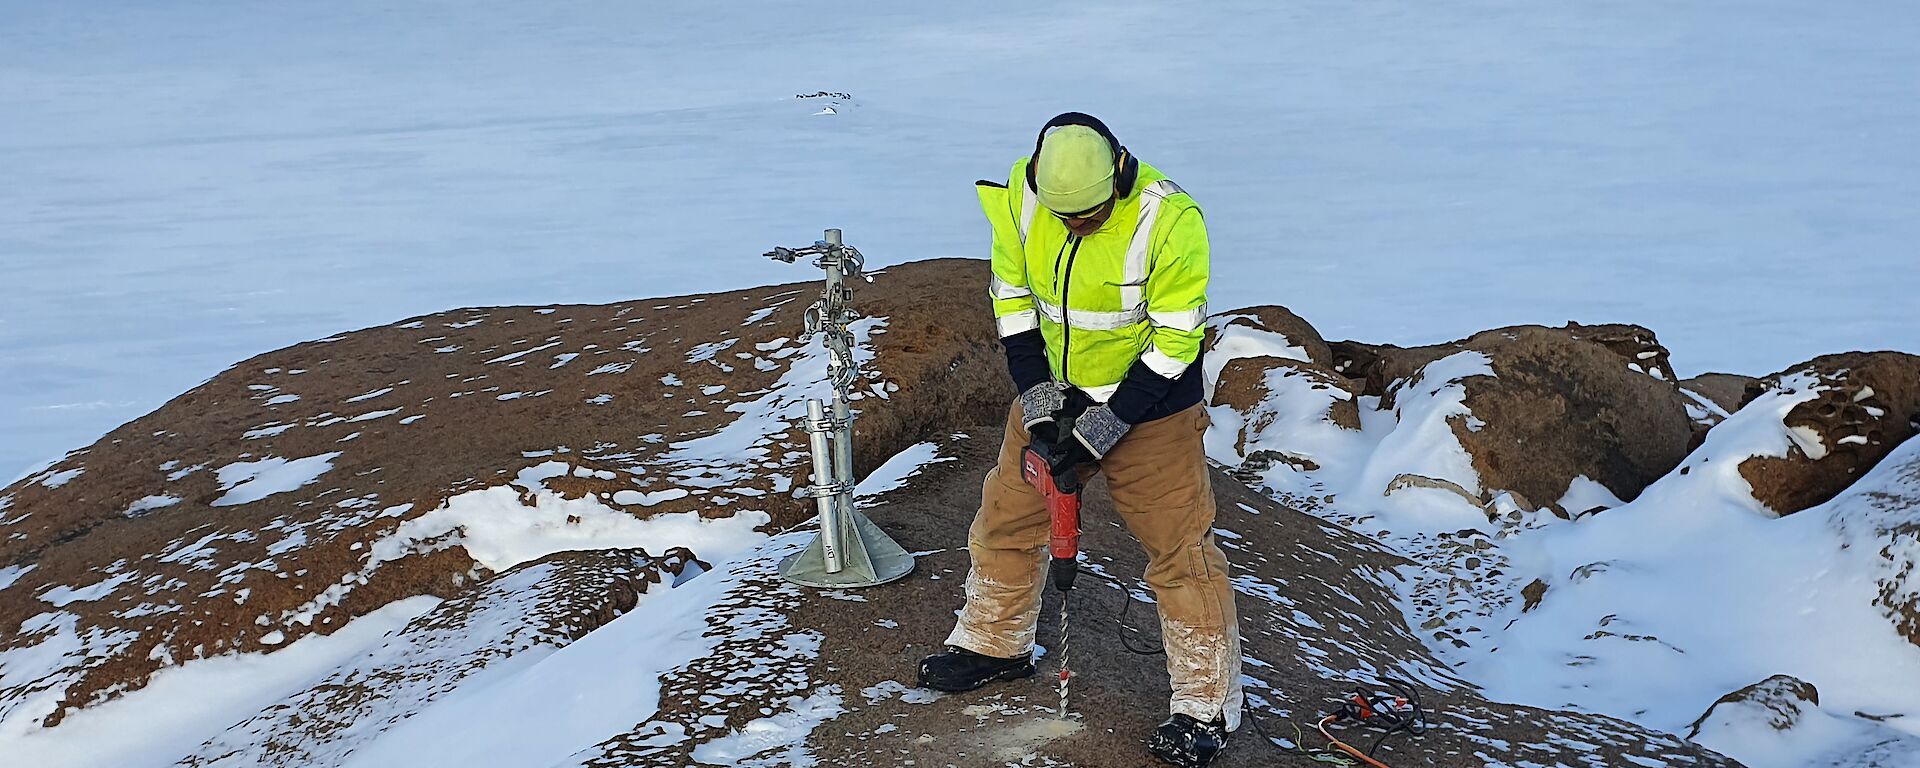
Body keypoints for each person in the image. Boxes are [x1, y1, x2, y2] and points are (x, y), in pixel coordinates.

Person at [916, 112, 1242, 767]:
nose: (1073, 227)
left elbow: (1176, 342)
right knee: (1007, 516)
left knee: (1181, 554)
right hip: (1056, 389)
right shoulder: (1023, 196)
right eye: (1064, 216)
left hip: (1151, 409)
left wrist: (1100, 430)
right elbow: (1012, 302)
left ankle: (1206, 708)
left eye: (1086, 218)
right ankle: (993, 645)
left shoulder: (1170, 222)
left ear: (1118, 176)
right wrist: (1041, 408)